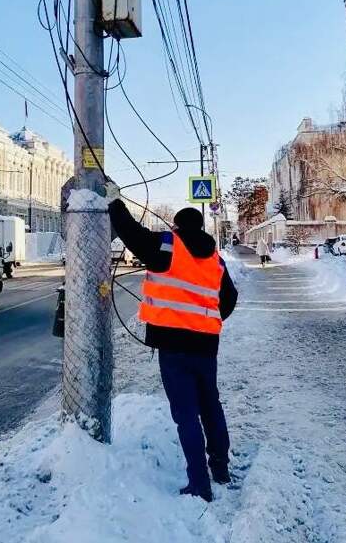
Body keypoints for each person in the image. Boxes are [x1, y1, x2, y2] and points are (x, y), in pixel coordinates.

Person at [107, 196, 238, 503]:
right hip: (206, 345)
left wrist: (114, 202)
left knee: (186, 414)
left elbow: (131, 232)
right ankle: (220, 467)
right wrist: (207, 319)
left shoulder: (168, 245)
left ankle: (199, 484)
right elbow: (229, 298)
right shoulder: (215, 260)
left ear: (177, 226)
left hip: (173, 346)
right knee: (211, 405)